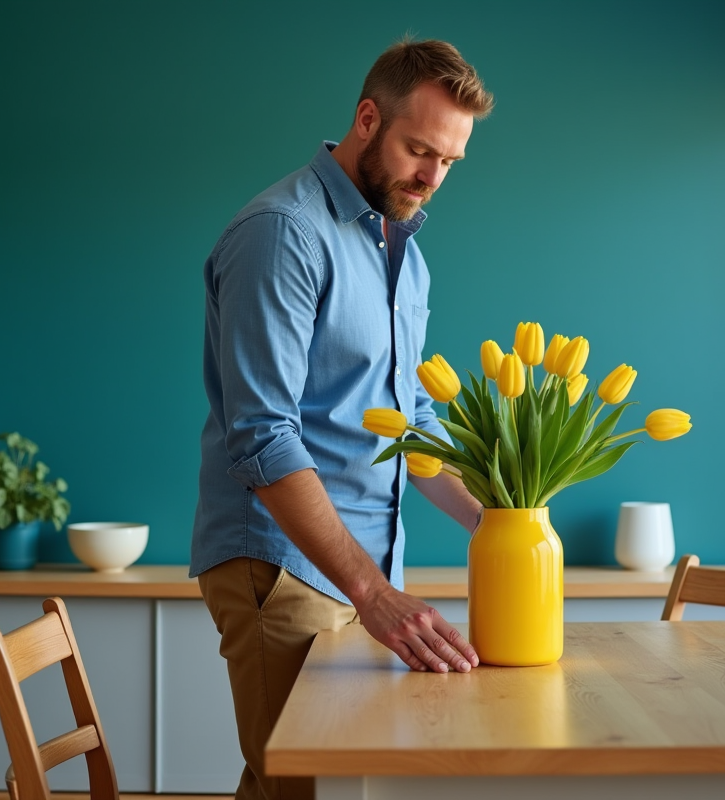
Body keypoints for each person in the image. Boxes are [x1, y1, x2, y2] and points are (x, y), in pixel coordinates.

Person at [191, 37, 494, 800]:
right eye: (419, 150)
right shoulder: (284, 233)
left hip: (361, 570)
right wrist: (373, 593)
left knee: (311, 782)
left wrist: (500, 522)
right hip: (285, 564)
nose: (432, 177)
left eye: (450, 162)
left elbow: (410, 417)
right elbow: (261, 435)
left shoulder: (402, 248)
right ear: (367, 118)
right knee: (305, 783)